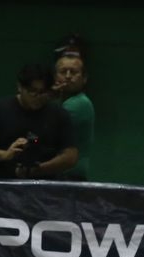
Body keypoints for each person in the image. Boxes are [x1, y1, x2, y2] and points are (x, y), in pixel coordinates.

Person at [0, 62, 77, 180]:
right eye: (32, 91)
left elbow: (70, 155)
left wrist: (39, 170)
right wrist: (5, 155)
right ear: (20, 87)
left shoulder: (59, 114)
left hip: (46, 189)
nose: (37, 96)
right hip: (4, 188)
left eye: (43, 92)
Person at [52, 52, 94, 180]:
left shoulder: (79, 103)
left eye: (73, 72)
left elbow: (45, 131)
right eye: (63, 71)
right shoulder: (60, 102)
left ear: (84, 78)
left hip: (70, 179)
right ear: (55, 76)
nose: (68, 76)